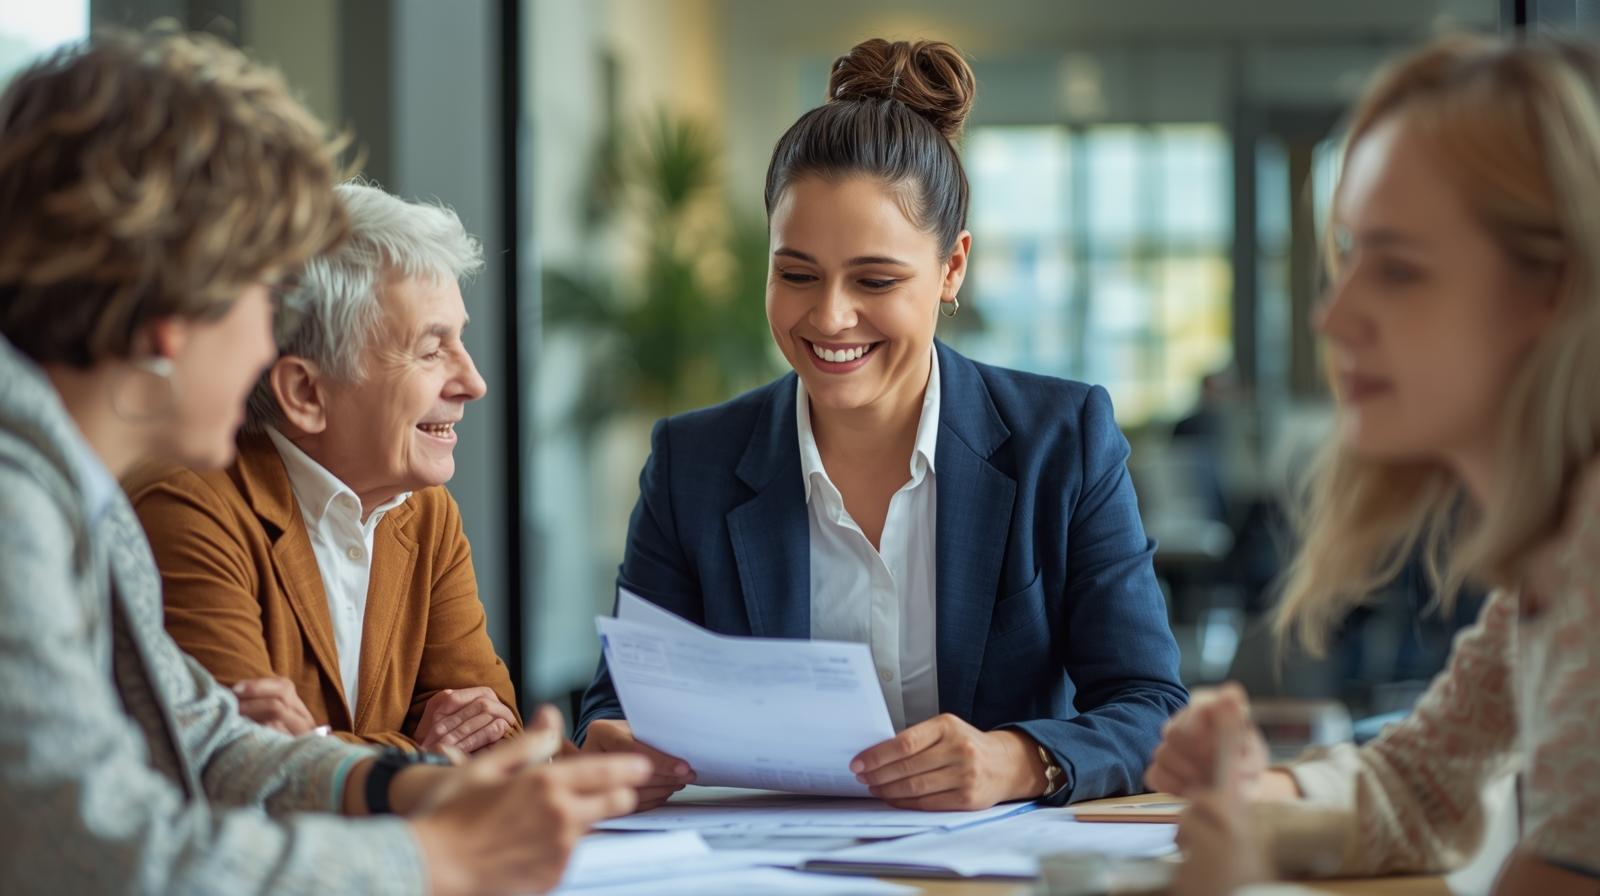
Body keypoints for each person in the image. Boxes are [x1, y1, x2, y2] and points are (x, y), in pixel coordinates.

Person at [0, 29, 647, 895]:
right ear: (173, 313)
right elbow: (108, 849)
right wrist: (438, 857)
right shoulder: (17, 509)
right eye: (261, 301)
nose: (272, 346)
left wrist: (414, 785)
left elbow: (208, 745)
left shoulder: (74, 498)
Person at [577, 38, 1187, 813]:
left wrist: (1019, 760)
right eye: (796, 274)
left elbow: (1152, 708)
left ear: (952, 268)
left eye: (875, 279)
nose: (829, 316)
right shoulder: (692, 461)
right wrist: (614, 740)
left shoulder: (1062, 441)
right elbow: (615, 707)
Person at [1143, 33, 1600, 895]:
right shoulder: (1549, 553)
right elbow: (1422, 787)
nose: (1334, 314)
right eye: (1348, 255)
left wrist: (1249, 881)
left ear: (1556, 292)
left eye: (1396, 269)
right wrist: (1254, 804)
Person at [126, 182, 520, 755]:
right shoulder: (188, 507)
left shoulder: (426, 513)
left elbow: (499, 735)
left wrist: (323, 745)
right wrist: (421, 753)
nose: (474, 383)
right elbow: (241, 769)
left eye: (459, 342)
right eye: (432, 350)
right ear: (306, 392)